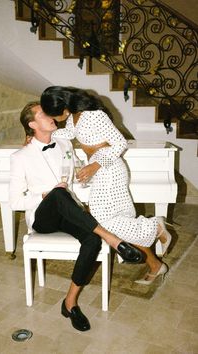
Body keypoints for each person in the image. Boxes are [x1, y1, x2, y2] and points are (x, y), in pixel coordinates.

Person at [9, 101, 144, 332]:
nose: (51, 114)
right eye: (43, 113)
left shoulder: (64, 142)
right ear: (32, 124)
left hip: (68, 209)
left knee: (91, 240)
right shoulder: (20, 157)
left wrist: (86, 175)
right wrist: (45, 195)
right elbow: (15, 201)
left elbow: (78, 171)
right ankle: (113, 239)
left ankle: (69, 303)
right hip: (43, 217)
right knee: (58, 193)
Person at [40, 86, 172, 284]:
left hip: (109, 169)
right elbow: (67, 132)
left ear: (64, 109)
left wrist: (94, 165)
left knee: (102, 221)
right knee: (115, 222)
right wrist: (41, 135)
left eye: (52, 116)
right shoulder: (73, 117)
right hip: (100, 171)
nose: (53, 120)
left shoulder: (94, 115)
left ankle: (155, 226)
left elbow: (120, 143)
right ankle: (155, 264)